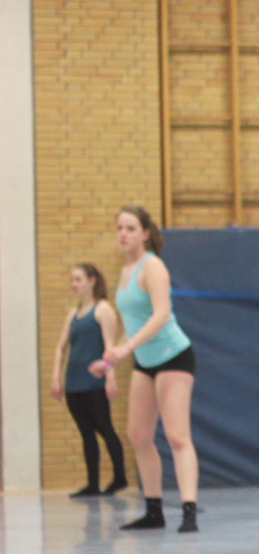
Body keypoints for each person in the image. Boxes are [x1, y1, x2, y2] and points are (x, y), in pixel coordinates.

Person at [95, 206, 199, 533]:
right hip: (145, 361)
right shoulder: (125, 271)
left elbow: (161, 315)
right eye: (119, 228)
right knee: (137, 435)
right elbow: (133, 324)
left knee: (177, 436)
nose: (123, 234)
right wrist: (113, 356)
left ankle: (189, 511)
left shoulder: (152, 266)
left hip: (173, 356)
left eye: (130, 228)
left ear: (145, 233)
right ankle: (154, 512)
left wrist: (126, 349)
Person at [51, 264, 128, 497]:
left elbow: (110, 346)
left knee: (105, 427)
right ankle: (92, 484)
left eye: (78, 279)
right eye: (72, 280)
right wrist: (56, 377)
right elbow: (61, 347)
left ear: (92, 281)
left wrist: (110, 378)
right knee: (86, 432)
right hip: (73, 383)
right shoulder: (73, 313)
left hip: (94, 382)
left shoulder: (102, 309)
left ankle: (120, 478)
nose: (73, 284)